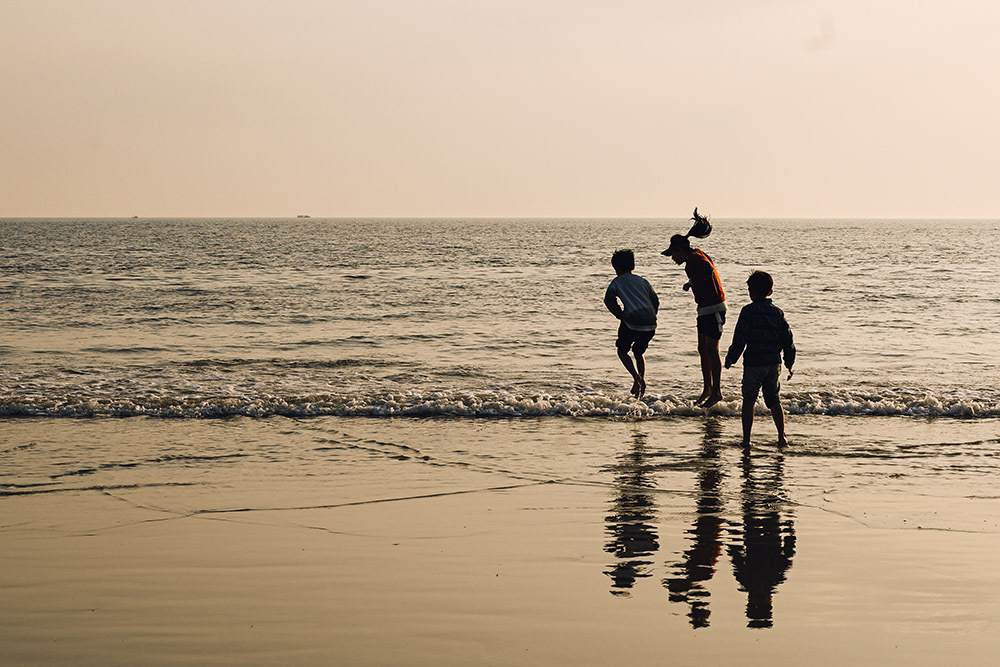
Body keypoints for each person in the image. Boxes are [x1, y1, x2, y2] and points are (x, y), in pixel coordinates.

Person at [724, 271, 796, 446]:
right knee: (774, 400)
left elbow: (740, 336)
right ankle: (781, 436)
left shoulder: (748, 311)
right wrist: (789, 362)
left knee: (749, 400)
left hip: (754, 363)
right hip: (773, 363)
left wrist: (731, 358)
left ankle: (747, 440)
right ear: (770, 292)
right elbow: (788, 339)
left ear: (750, 291)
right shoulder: (777, 313)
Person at [663, 211, 727, 408]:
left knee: (711, 351)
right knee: (702, 350)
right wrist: (692, 283)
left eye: (673, 254)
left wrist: (691, 282)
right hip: (704, 309)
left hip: (714, 307)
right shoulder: (696, 255)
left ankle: (716, 392)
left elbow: (708, 271)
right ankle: (707, 389)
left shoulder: (694, 259)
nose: (672, 258)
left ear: (680, 250)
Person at [604, 249, 659, 398]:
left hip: (631, 321)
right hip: (650, 324)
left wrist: (620, 315)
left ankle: (636, 377)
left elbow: (608, 300)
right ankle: (641, 379)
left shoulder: (617, 282)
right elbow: (655, 300)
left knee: (622, 351)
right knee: (638, 352)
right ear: (632, 265)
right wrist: (653, 315)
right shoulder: (643, 281)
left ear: (616, 268)